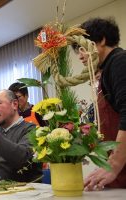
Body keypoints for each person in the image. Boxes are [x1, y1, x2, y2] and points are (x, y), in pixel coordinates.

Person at [75, 17, 126, 189]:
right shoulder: (106, 70)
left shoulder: (119, 61)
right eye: (77, 51)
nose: (80, 56)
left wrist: (114, 164)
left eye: (82, 48)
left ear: (102, 40)